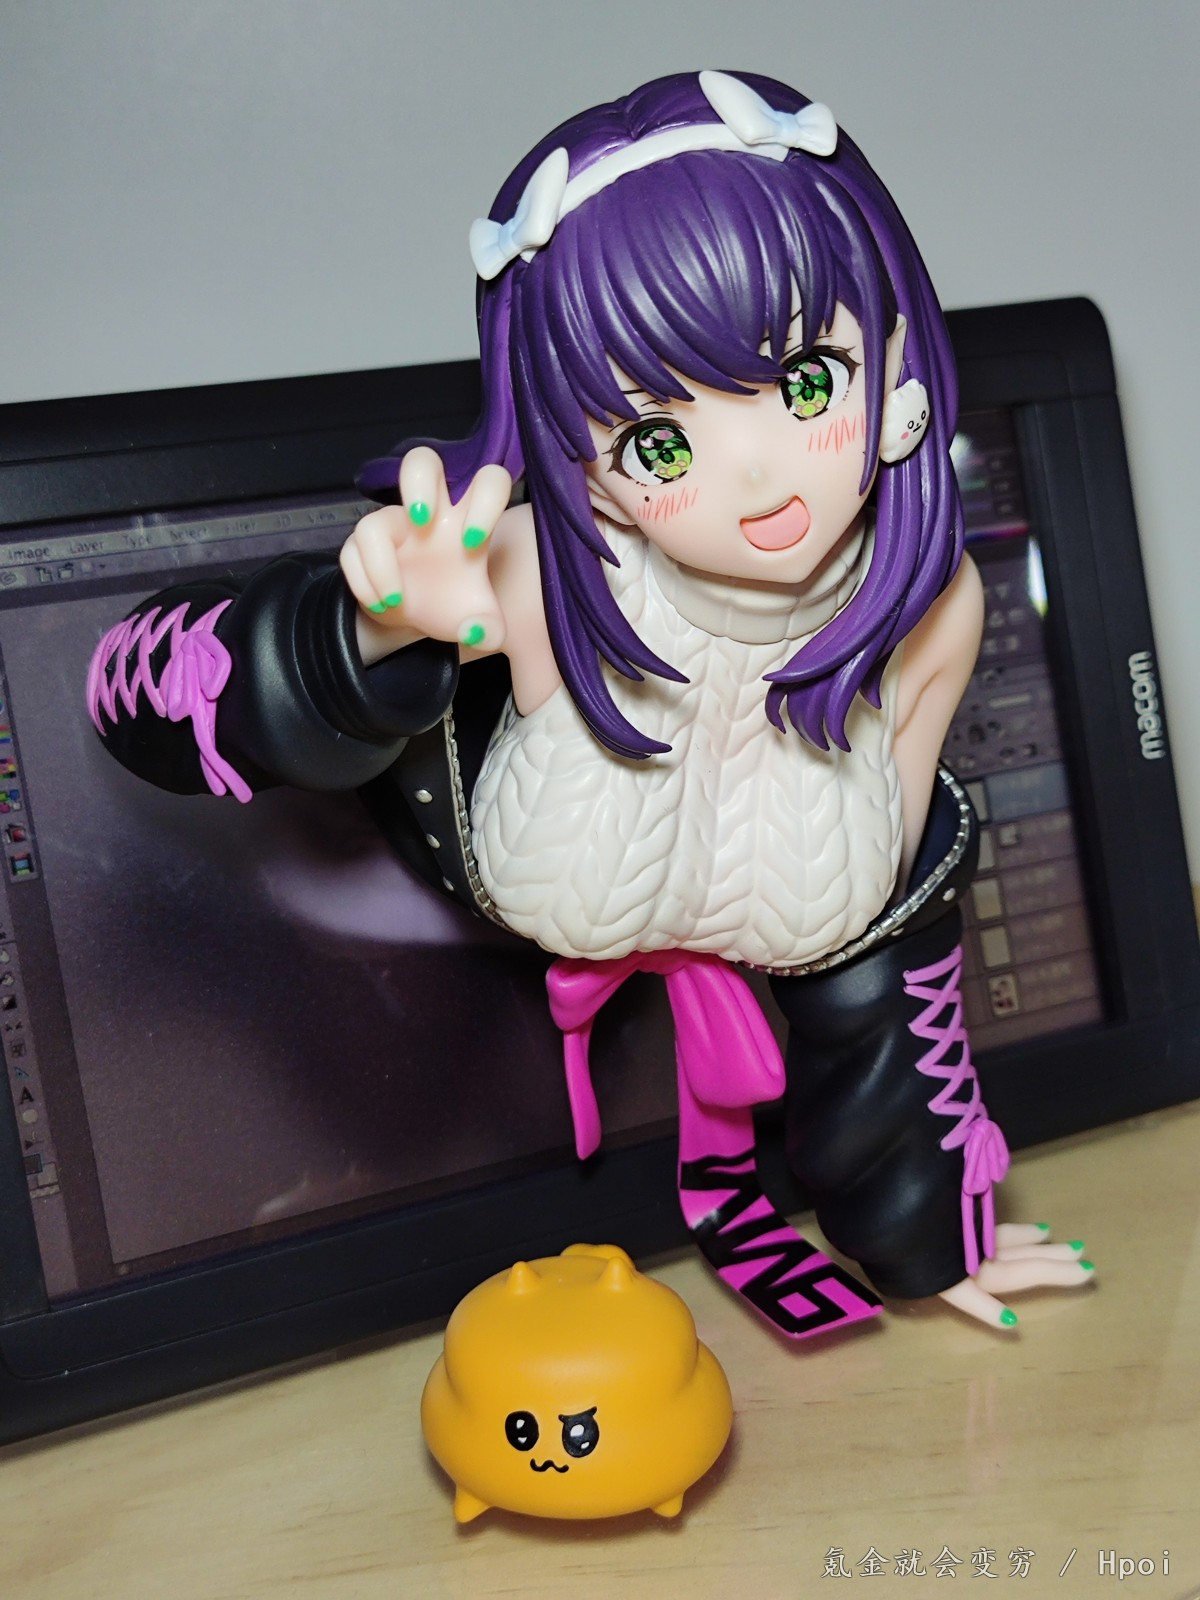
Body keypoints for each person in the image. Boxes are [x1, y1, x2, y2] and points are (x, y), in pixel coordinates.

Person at [89, 70, 1092, 1339]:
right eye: (660, 443)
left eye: (806, 382)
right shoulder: (546, 567)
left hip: (780, 952)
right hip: (459, 935)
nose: (759, 475)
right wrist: (372, 630)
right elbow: (126, 693)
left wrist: (931, 1234)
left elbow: (888, 935)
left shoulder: (929, 606)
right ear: (591, 470)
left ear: (891, 356)